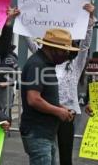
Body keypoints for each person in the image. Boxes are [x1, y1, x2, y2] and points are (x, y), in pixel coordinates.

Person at [24, 4, 95, 165]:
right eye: (64, 49)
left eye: (68, 50)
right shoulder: (43, 62)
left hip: (67, 112)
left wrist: (90, 21)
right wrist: (22, 21)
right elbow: (32, 44)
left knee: (64, 154)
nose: (66, 53)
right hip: (46, 112)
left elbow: (85, 46)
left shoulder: (75, 66)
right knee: (47, 152)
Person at [20, 28, 77, 165]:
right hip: (38, 133)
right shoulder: (37, 64)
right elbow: (33, 99)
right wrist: (58, 111)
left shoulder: (46, 64)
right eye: (64, 51)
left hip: (45, 133)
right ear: (52, 48)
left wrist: (61, 107)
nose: (66, 55)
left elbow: (45, 97)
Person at [0, 7, 20, 117]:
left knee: (4, 113)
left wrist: (7, 83)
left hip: (6, 90)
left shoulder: (13, 57)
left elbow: (15, 74)